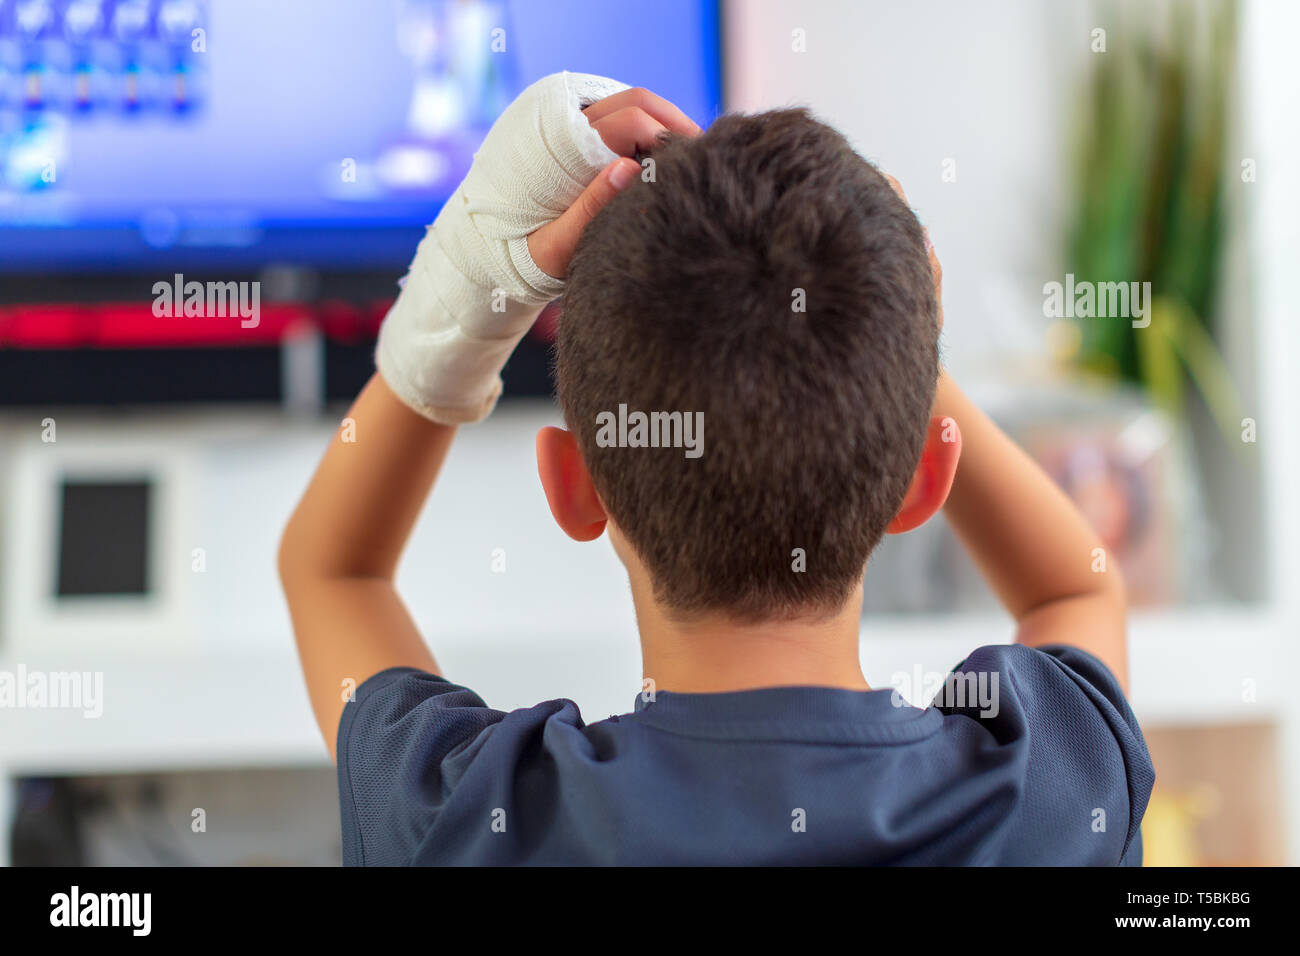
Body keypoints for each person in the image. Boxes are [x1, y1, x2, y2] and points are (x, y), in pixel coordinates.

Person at [278, 73, 1153, 865]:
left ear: (572, 484)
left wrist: (472, 285)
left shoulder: (462, 820)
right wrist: (900, 330)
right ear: (927, 476)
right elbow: (1075, 590)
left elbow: (332, 570)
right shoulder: (1046, 800)